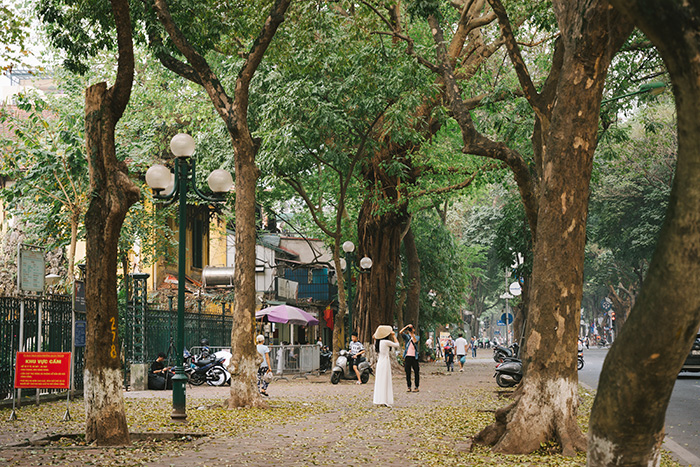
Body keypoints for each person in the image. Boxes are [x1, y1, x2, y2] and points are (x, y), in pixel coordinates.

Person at [372, 325, 399, 407]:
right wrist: (394, 336)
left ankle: (379, 399)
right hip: (385, 362)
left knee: (380, 381)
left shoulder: (377, 342)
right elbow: (397, 345)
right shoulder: (385, 342)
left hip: (380, 362)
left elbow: (374, 337)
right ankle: (384, 400)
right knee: (385, 380)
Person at [400, 324, 420, 392]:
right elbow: (400, 332)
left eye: (412, 329)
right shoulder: (406, 337)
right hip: (407, 356)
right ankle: (409, 386)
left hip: (415, 357)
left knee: (416, 372)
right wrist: (406, 327)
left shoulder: (417, 337)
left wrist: (412, 334)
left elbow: (415, 341)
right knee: (408, 372)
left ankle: (416, 386)